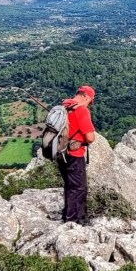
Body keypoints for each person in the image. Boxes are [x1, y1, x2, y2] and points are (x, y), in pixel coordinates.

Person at [58, 85, 96, 222]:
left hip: (60, 153)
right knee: (79, 188)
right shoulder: (81, 110)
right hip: (75, 154)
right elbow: (90, 137)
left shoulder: (64, 106)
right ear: (85, 97)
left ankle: (68, 214)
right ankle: (73, 222)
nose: (89, 105)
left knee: (70, 185)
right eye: (89, 101)